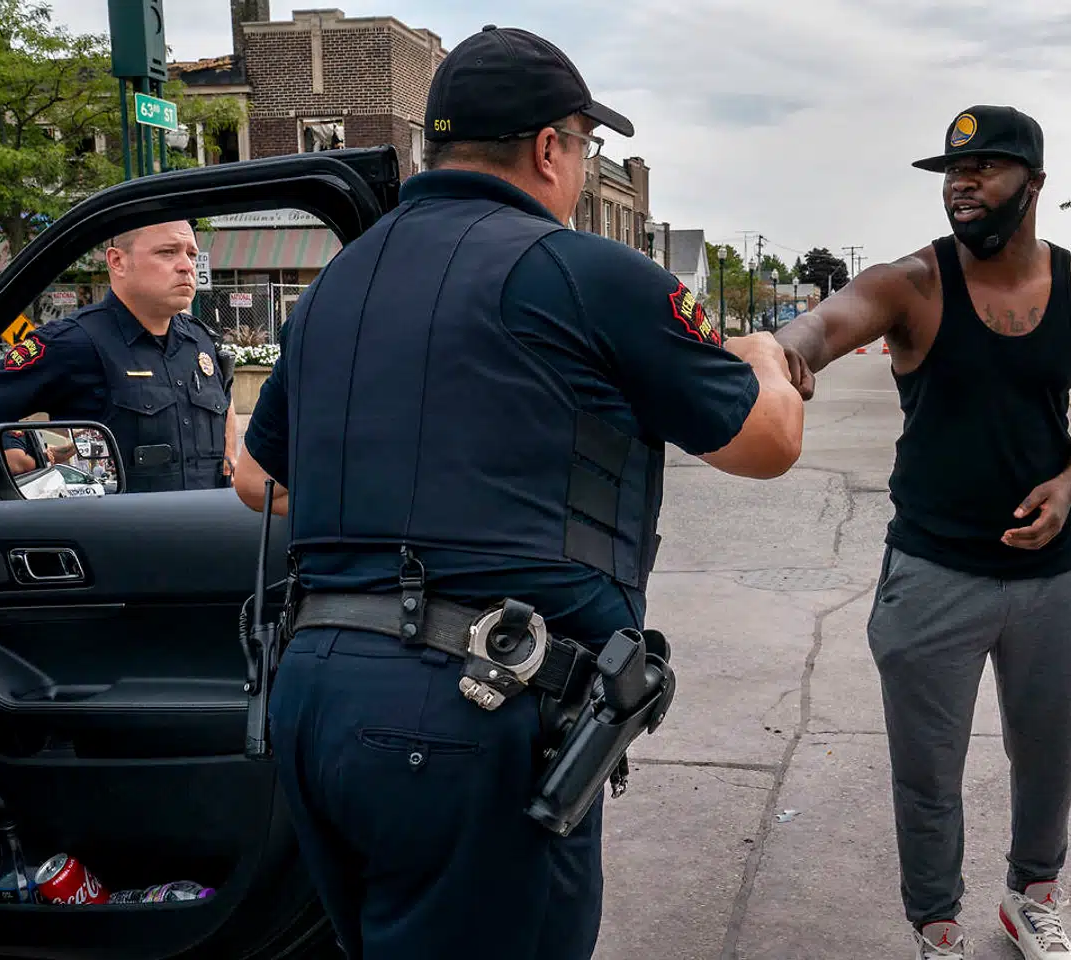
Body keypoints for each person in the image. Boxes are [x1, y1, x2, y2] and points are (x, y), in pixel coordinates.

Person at [230, 24, 803, 960]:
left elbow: (262, 481)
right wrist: (767, 361)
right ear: (549, 147)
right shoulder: (584, 272)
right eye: (584, 146)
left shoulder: (341, 281)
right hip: (468, 714)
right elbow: (765, 444)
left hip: (313, 701)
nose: (581, 168)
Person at [774, 105, 1071, 960]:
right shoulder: (913, 285)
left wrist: (1070, 485)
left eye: (986, 167)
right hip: (932, 572)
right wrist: (786, 350)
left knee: (1049, 758)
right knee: (928, 773)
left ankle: (1030, 899)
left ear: (1035, 183)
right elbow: (825, 323)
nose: (961, 183)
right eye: (951, 171)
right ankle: (937, 927)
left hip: (1051, 578)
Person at [0, 220, 237, 492]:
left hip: (207, 525)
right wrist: (1, 483)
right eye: (167, 252)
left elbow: (225, 403)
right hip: (121, 530)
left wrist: (229, 457)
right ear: (117, 261)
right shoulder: (73, 342)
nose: (187, 265)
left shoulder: (200, 340)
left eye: (191, 254)